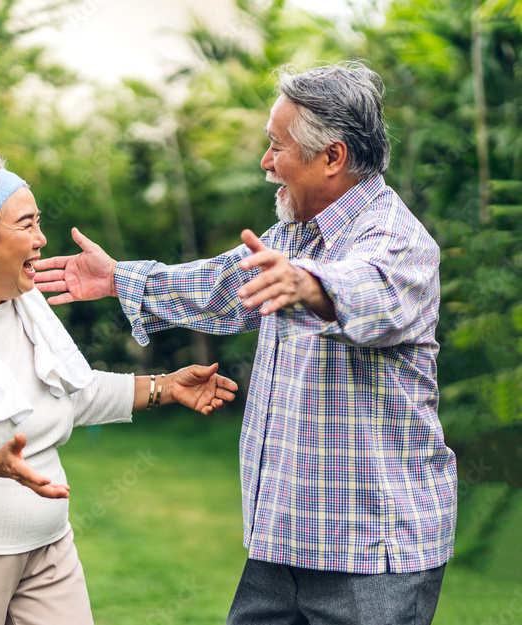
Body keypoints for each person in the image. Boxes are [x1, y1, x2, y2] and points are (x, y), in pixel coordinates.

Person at [35, 61, 457, 625]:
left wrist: (307, 283)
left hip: (370, 552)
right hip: (284, 543)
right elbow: (218, 286)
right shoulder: (290, 236)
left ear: (332, 157)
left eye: (276, 147)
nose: (265, 163)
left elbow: (369, 291)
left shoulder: (396, 240)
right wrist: (118, 279)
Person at [0, 147, 239, 625]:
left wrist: (165, 387)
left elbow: (73, 391)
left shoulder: (26, 305)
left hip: (46, 544)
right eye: (26, 225)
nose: (41, 238)